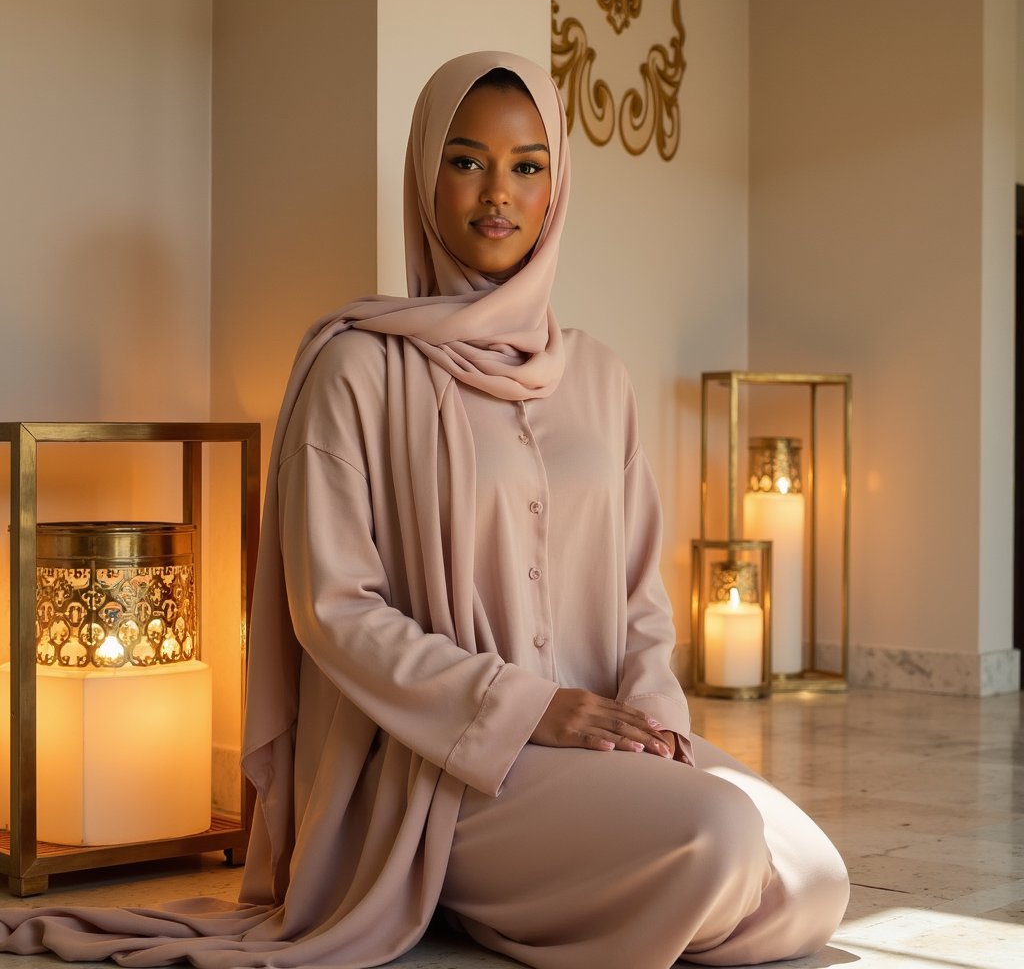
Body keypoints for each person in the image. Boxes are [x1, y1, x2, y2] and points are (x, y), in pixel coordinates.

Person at [0, 52, 848, 968]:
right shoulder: (355, 367)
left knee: (815, 879)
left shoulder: (598, 374)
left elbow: (641, 591)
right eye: (465, 159)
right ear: (423, 174)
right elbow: (336, 611)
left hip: (611, 743)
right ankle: (463, 885)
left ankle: (590, 877)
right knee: (720, 840)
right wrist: (531, 709)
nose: (498, 192)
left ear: (556, 186)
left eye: (528, 166)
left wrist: (653, 723)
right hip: (443, 773)